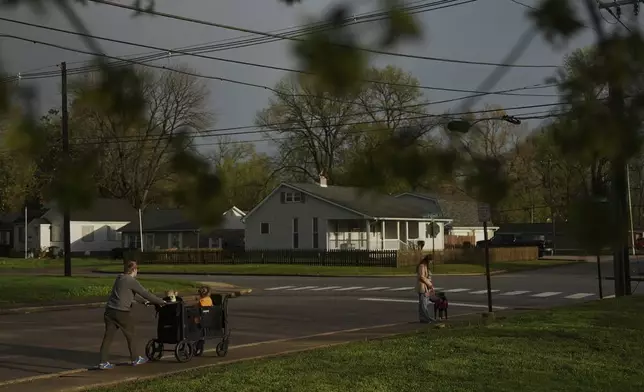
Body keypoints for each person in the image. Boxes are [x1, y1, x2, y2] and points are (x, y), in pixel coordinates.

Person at [98, 261, 166, 370]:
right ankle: (136, 359)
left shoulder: (119, 278)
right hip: (122, 312)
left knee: (108, 337)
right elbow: (145, 293)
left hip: (110, 311)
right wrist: (160, 301)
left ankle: (103, 362)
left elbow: (130, 294)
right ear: (134, 270)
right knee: (131, 334)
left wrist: (143, 301)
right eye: (137, 270)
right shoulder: (131, 280)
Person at [417, 255, 435, 323]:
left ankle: (425, 317)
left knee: (425, 303)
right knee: (423, 304)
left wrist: (430, 286)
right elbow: (422, 277)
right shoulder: (422, 266)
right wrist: (429, 284)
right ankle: (425, 318)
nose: (430, 262)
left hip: (427, 287)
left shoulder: (426, 266)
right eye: (430, 261)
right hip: (423, 287)